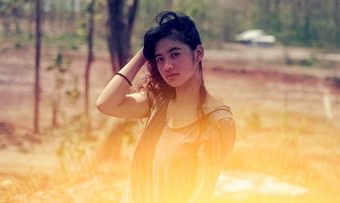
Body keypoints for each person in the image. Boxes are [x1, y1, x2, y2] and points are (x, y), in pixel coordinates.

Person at [96, 11, 236, 203]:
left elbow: (201, 193)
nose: (167, 66)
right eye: (160, 58)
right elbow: (106, 104)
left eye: (175, 54)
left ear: (198, 54)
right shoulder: (157, 102)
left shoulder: (216, 120)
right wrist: (143, 54)